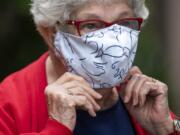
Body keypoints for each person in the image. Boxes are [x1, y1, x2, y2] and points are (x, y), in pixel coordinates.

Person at [0, 0, 179, 135]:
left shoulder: (140, 98)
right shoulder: (9, 103)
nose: (111, 41)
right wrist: (56, 128)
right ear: (50, 34)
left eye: (123, 23)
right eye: (91, 25)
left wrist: (167, 127)